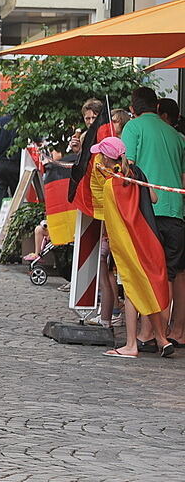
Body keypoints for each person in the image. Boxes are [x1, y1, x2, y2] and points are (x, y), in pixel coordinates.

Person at [96, 137, 174, 358]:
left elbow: (112, 224)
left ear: (105, 159)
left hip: (131, 247)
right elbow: (154, 198)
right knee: (147, 290)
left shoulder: (111, 185)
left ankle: (131, 344)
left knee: (132, 291)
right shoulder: (136, 175)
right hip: (149, 242)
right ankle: (161, 338)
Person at [122, 87, 185, 349]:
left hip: (148, 210)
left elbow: (127, 169)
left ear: (133, 108)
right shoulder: (176, 135)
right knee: (168, 274)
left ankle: (147, 333)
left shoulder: (133, 128)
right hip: (176, 211)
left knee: (145, 273)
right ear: (156, 106)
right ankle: (165, 334)